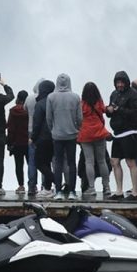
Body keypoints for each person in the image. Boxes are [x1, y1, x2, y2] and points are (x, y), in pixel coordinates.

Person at [106, 71, 137, 200]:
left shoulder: (134, 95)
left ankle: (135, 192)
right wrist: (109, 110)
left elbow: (136, 113)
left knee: (131, 162)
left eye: (122, 82)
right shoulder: (114, 94)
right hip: (117, 133)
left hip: (130, 132)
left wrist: (118, 109)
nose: (120, 85)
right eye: (118, 82)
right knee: (115, 161)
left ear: (127, 82)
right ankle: (119, 191)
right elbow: (111, 111)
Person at [46, 73, 82, 201]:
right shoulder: (75, 97)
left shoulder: (51, 97)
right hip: (72, 134)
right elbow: (79, 118)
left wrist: (53, 130)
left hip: (57, 135)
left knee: (58, 164)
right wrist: (77, 128)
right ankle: (72, 191)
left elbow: (49, 118)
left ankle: (58, 192)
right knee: (72, 163)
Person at [78, 82, 111, 197]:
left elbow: (78, 118)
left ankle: (91, 188)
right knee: (102, 161)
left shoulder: (81, 104)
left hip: (85, 135)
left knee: (89, 162)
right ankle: (106, 187)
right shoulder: (99, 102)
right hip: (99, 133)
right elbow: (104, 111)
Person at [31, 80, 56, 198]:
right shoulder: (55, 102)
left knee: (39, 163)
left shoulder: (40, 104)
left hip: (42, 137)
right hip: (55, 137)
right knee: (47, 163)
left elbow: (37, 123)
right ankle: (47, 188)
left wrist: (33, 138)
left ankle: (57, 182)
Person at [6, 91, 30, 194]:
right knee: (31, 164)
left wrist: (9, 143)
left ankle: (21, 186)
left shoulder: (12, 111)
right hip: (28, 141)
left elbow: (10, 128)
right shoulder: (29, 111)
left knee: (19, 165)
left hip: (16, 142)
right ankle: (33, 185)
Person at [24, 79, 44, 195]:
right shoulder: (48, 98)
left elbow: (25, 110)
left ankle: (32, 186)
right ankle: (45, 186)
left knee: (32, 161)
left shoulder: (29, 98)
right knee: (45, 161)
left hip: (31, 131)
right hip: (44, 132)